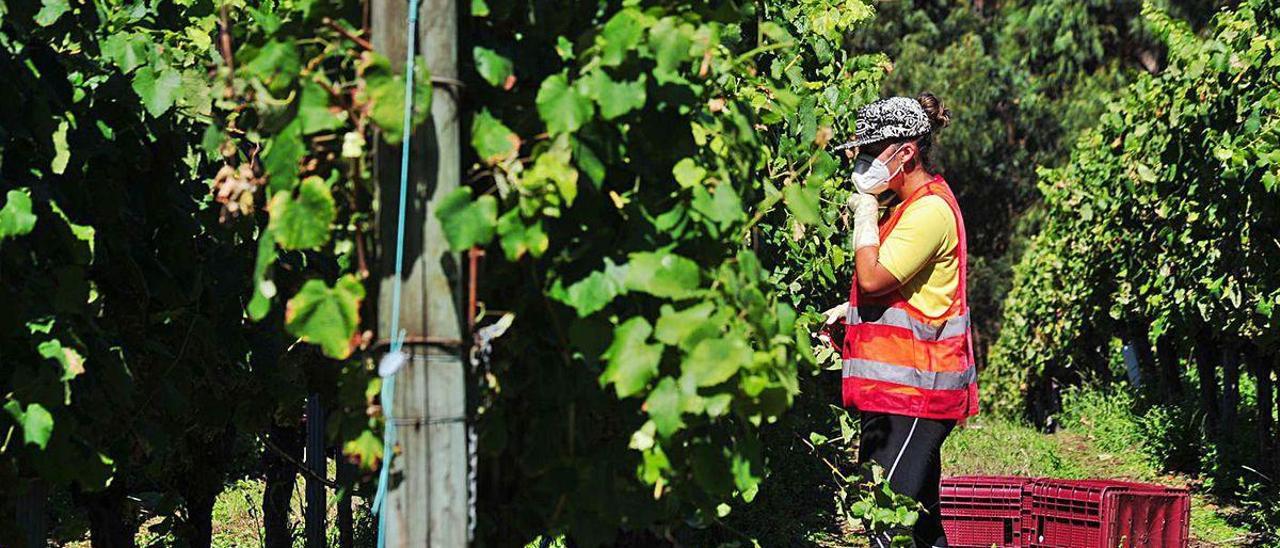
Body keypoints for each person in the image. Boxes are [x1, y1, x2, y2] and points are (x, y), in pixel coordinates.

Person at [823, 93, 979, 548]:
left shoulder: (928, 211)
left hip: (916, 391)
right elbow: (900, 291)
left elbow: (873, 278)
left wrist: (865, 215)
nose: (863, 162)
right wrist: (847, 313)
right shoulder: (911, 208)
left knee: (886, 520)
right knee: (922, 525)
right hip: (901, 390)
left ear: (906, 152)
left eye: (872, 152)